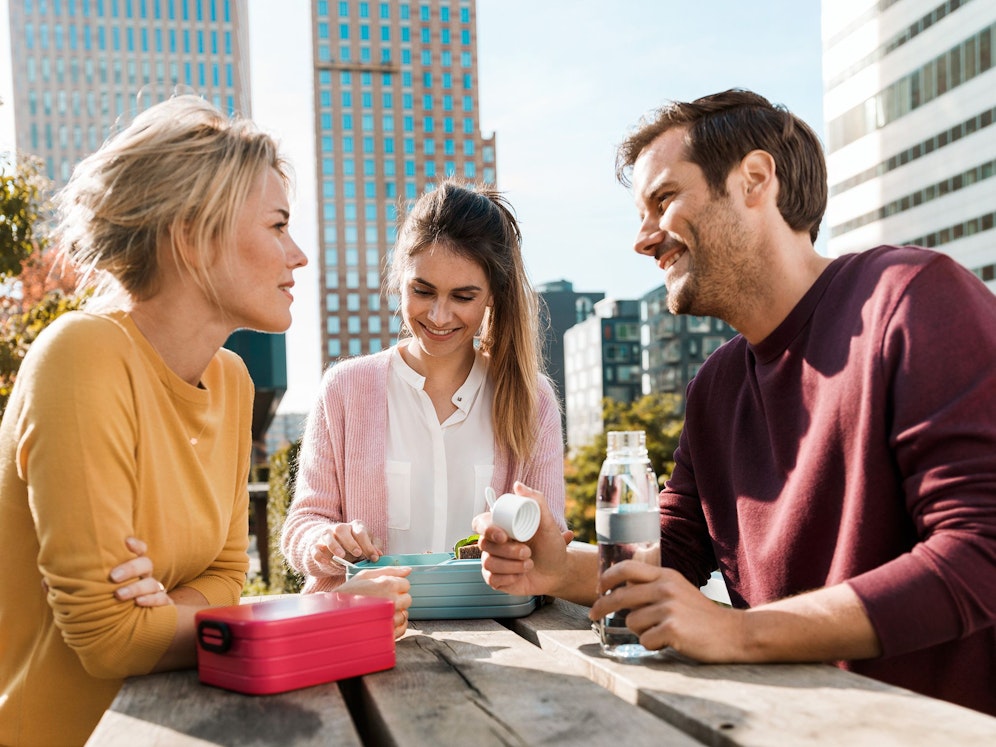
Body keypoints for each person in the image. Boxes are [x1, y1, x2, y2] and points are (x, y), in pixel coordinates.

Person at [474, 89, 996, 716]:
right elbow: (679, 549)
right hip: (772, 722)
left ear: (754, 179)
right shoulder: (715, 384)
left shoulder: (911, 299)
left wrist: (738, 632)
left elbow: (980, 551)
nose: (643, 240)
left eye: (663, 199)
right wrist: (558, 566)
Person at [0, 95, 411, 747]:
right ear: (192, 236)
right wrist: (317, 614)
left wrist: (164, 611)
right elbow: (109, 639)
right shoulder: (79, 357)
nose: (298, 254)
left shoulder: (232, 380)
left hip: (186, 724)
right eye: (277, 225)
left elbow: (225, 575)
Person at [281, 178, 567, 592]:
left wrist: (528, 545)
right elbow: (302, 527)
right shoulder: (344, 389)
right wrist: (326, 542)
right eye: (422, 290)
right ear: (400, 279)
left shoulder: (532, 399)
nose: (438, 315)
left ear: (492, 297)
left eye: (463, 297)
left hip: (498, 630)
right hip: (372, 628)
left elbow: (549, 538)